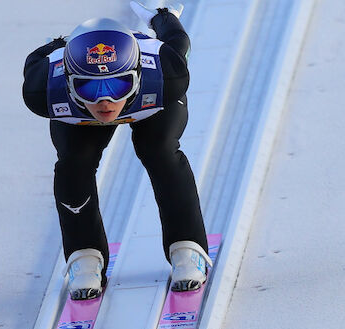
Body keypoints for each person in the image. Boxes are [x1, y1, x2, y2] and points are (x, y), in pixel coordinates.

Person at [22, 1, 211, 300]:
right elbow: (38, 59)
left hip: (146, 104)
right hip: (109, 106)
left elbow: (176, 40)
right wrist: (61, 44)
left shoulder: (166, 74)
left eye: (119, 84)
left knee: (158, 150)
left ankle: (187, 245)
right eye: (89, 88)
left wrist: (161, 16)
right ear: (69, 84)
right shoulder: (43, 88)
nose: (105, 101)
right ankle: (84, 253)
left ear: (137, 74)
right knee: (74, 163)